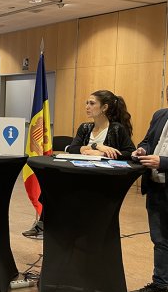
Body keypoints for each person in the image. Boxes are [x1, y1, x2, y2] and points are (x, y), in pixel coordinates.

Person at [23, 89, 136, 239]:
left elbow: (130, 153)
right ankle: (45, 223)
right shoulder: (85, 128)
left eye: (92, 103)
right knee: (52, 183)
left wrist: (102, 154)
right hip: (79, 172)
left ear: (104, 107)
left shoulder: (116, 129)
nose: (87, 107)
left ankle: (60, 226)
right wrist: (96, 146)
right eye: (87, 103)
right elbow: (73, 148)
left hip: (101, 177)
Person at [129, 87, 168, 292]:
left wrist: (162, 162)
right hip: (156, 187)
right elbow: (147, 141)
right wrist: (142, 150)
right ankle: (161, 284)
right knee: (159, 238)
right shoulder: (160, 115)